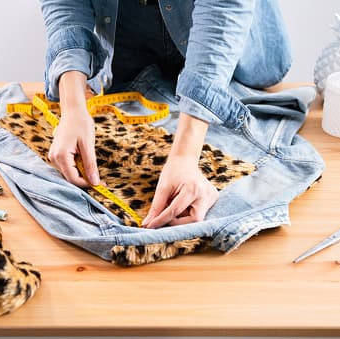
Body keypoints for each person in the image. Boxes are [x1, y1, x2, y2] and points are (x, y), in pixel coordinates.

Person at [40, 0, 292, 229]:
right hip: (128, 60)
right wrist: (72, 105)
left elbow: (223, 8)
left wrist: (185, 155)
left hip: (229, 60)